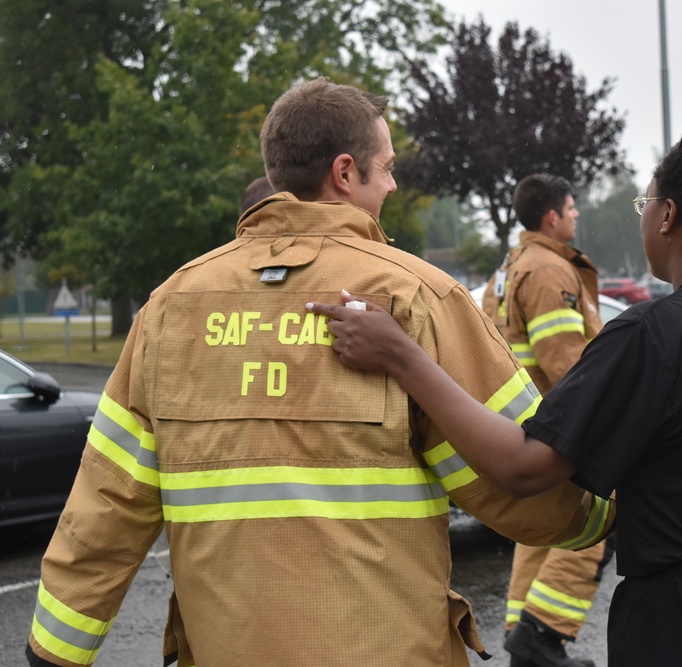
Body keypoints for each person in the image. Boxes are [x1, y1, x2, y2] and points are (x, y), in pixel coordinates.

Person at [25, 78, 614, 667]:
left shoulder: (169, 308)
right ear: (345, 173)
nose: (393, 184)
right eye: (387, 168)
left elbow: (108, 500)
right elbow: (516, 475)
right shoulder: (416, 297)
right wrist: (606, 512)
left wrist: (53, 651)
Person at [311, 122, 682, 665]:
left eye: (645, 204)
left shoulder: (651, 333)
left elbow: (524, 469)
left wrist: (403, 356)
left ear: (667, 215)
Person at [480, 174, 610, 667]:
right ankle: (543, 633)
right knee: (596, 523)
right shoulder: (549, 269)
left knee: (539, 535)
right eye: (572, 209)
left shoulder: (510, 266)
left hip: (524, 423)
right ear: (552, 217)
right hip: (560, 425)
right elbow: (568, 362)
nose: (576, 215)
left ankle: (523, 641)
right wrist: (606, 418)